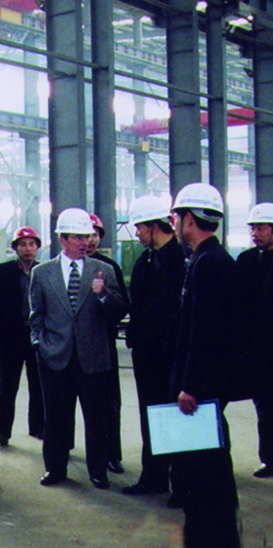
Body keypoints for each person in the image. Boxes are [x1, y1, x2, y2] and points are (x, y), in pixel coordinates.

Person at [29, 207, 127, 489]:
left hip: (93, 358)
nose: (85, 242)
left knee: (96, 418)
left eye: (87, 236)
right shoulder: (42, 273)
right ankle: (55, 468)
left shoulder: (104, 271)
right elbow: (36, 315)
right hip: (55, 356)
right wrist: (39, 343)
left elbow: (120, 310)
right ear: (62, 239)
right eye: (78, 237)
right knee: (56, 417)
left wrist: (104, 294)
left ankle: (98, 470)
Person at [169, 183, 240, 547]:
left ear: (190, 219)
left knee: (205, 472)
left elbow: (204, 331)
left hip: (203, 388)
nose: (174, 223)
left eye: (177, 216)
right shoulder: (211, 258)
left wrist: (190, 385)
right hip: (211, 384)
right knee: (210, 468)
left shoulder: (209, 264)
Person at [121, 195, 186, 506]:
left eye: (139, 228)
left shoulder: (182, 262)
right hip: (146, 356)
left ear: (154, 227)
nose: (136, 234)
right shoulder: (144, 262)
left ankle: (182, 485)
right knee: (151, 417)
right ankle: (154, 476)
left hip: (170, 358)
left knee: (174, 418)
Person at [0, 226, 44, 446]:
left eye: (32, 244)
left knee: (38, 384)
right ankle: (2, 430)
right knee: (8, 385)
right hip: (11, 337)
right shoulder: (3, 271)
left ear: (37, 247)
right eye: (23, 244)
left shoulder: (44, 271)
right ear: (15, 248)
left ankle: (38, 427)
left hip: (36, 336)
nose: (28, 249)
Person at [86, 213, 129, 475]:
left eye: (95, 234)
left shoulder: (110, 268)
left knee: (110, 403)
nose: (90, 240)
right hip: (72, 348)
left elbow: (122, 307)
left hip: (103, 346)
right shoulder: (63, 267)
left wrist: (104, 295)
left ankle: (112, 455)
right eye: (85, 234)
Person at [236, 202, 273, 479]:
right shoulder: (247, 261)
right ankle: (269, 459)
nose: (255, 233)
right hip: (259, 350)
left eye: (261, 228)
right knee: (264, 407)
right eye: (252, 228)